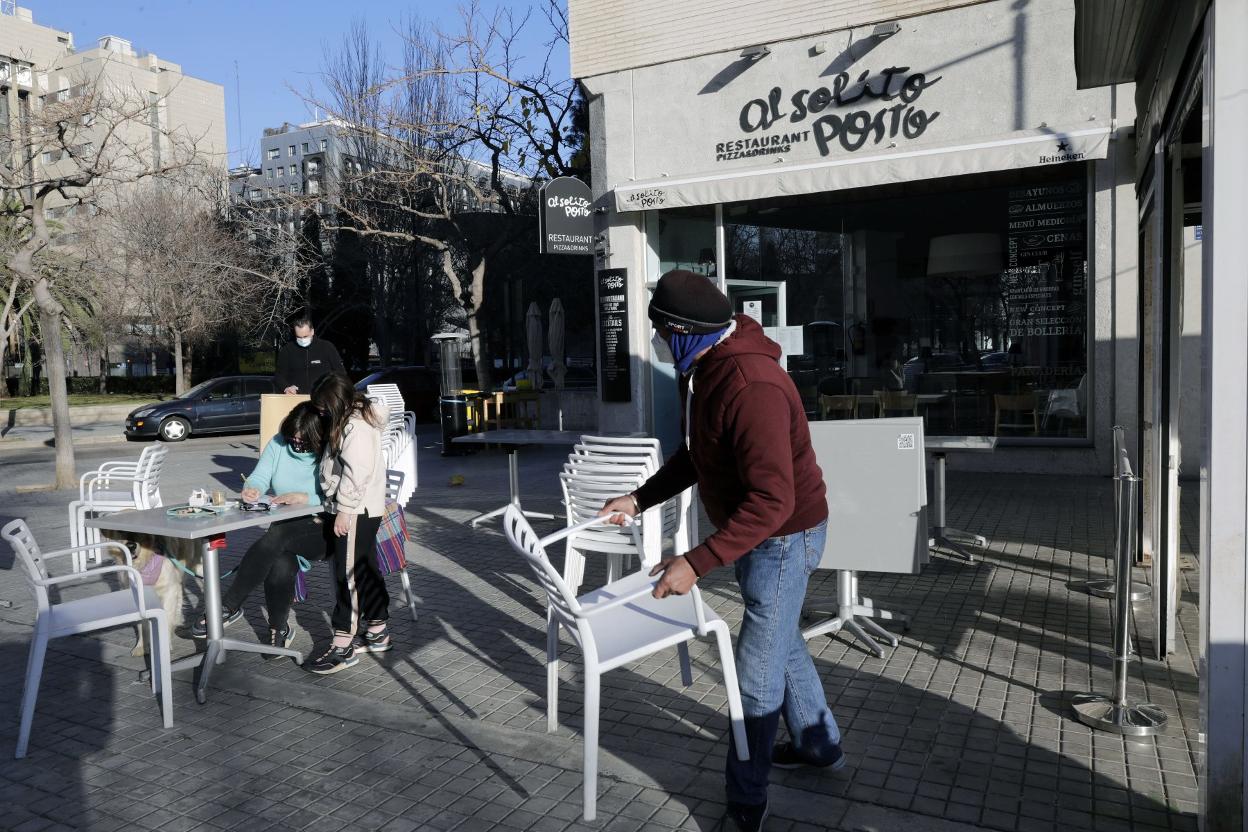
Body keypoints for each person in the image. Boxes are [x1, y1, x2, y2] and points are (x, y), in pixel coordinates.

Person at [598, 270, 843, 832]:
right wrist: (639, 498)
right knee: (780, 644)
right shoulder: (706, 368)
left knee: (755, 675)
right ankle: (820, 747)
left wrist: (696, 561)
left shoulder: (750, 385)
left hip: (784, 537)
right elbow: (698, 455)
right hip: (761, 533)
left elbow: (774, 501)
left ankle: (745, 805)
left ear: (683, 329)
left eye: (661, 331)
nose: (656, 342)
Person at [191, 402, 327, 650]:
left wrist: (306, 498)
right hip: (286, 528)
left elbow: (340, 493)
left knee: (278, 535)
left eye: (302, 441)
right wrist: (253, 488)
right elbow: (260, 475)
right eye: (292, 439)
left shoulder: (329, 448)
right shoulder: (278, 443)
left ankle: (229, 605)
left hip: (322, 528)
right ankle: (279, 628)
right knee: (281, 557)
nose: (295, 444)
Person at [306, 372, 391, 675]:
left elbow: (358, 472)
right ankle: (378, 630)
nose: (321, 413)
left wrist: (344, 509)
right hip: (362, 508)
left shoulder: (355, 425)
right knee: (364, 566)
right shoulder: (357, 418)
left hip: (356, 509)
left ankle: (343, 644)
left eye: (323, 407)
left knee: (348, 573)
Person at [274, 317, 346, 395]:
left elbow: (340, 373)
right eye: (298, 337)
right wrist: (286, 387)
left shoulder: (327, 347)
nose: (302, 340)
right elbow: (279, 376)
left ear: (312, 332)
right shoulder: (287, 350)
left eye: (305, 336)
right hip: (296, 397)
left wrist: (332, 389)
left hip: (323, 397)